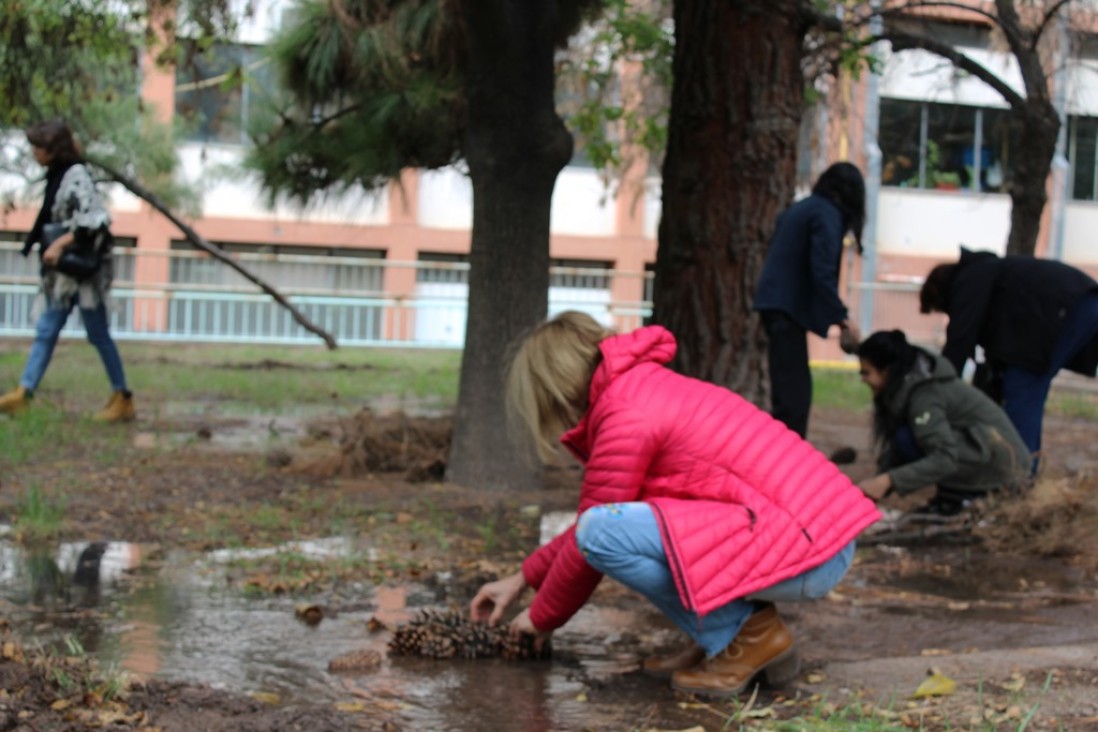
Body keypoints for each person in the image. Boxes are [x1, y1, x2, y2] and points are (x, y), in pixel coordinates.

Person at [469, 311, 880, 697]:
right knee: (622, 528)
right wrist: (523, 578)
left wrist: (541, 617)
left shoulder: (625, 412)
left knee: (604, 533)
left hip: (810, 551)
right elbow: (598, 521)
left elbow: (592, 535)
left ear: (554, 386)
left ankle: (745, 636)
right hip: (816, 539)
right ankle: (721, 638)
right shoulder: (638, 388)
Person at [0, 120, 135, 421]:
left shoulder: (76, 175)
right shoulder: (56, 176)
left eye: (39, 147)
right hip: (62, 278)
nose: (34, 153)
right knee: (46, 330)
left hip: (84, 276)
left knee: (98, 333)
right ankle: (24, 392)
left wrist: (59, 244)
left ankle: (123, 396)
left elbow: (97, 219)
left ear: (53, 149)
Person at [919, 247, 1098, 466]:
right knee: (1026, 388)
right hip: (1078, 302)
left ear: (941, 292)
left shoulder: (969, 279)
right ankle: (1026, 467)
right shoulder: (987, 274)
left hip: (1067, 308)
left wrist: (940, 388)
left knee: (1022, 389)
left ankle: (1019, 474)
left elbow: (960, 335)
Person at [855, 330, 1031, 516]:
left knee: (908, 439)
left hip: (1004, 468)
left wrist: (887, 480)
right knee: (908, 438)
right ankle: (954, 495)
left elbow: (944, 458)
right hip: (989, 453)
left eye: (866, 373)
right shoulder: (914, 384)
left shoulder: (925, 397)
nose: (863, 380)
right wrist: (878, 481)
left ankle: (960, 496)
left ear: (887, 370)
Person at [753, 162, 865, 438]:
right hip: (785, 309)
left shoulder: (803, 208)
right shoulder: (826, 214)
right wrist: (841, 317)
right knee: (794, 399)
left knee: (790, 392)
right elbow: (822, 270)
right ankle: (785, 464)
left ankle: (784, 459)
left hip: (775, 306)